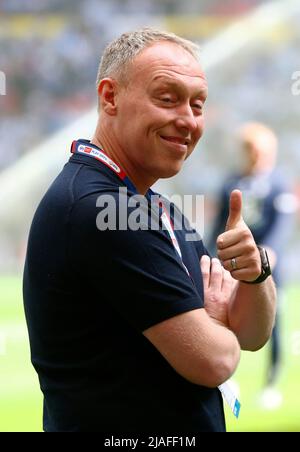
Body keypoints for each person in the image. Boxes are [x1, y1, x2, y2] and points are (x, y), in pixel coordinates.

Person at [23, 28, 276, 433]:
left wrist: (255, 273)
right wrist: (213, 321)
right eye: (167, 98)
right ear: (110, 97)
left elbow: (251, 333)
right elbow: (215, 361)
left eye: (198, 104)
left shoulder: (150, 205)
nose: (187, 120)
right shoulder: (104, 210)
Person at [208, 122, 294, 405]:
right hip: (233, 265)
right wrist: (209, 253)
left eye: (260, 149)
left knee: (272, 320)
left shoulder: (279, 183)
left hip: (266, 266)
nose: (255, 155)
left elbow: (282, 225)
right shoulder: (232, 183)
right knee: (223, 316)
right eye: (251, 149)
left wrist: (267, 255)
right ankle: (226, 373)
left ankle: (271, 381)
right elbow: (219, 225)